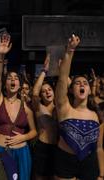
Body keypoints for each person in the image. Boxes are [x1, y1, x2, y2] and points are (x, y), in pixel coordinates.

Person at [0, 33, 37, 180]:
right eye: (9, 78)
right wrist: (0, 56)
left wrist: (23, 137)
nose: (13, 80)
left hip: (22, 153)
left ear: (20, 85)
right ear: (6, 83)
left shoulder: (26, 107)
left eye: (16, 78)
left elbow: (34, 131)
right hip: (0, 151)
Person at [54, 34, 103, 180]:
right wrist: (70, 51)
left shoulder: (96, 114)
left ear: (89, 90)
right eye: (77, 83)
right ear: (70, 90)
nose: (82, 84)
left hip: (89, 162)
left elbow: (99, 147)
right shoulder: (65, 107)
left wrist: (102, 174)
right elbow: (63, 78)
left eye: (85, 83)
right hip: (65, 160)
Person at [32, 53, 58, 180]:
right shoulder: (39, 108)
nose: (47, 92)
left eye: (49, 89)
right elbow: (34, 93)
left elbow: (68, 86)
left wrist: (61, 69)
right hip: (42, 148)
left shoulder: (60, 107)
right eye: (44, 91)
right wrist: (44, 71)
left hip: (57, 148)